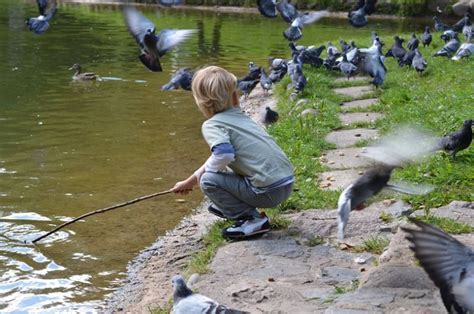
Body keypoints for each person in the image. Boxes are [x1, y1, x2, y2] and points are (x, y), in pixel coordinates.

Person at [171, 66, 294, 239]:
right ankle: (229, 205)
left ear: (201, 103)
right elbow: (219, 155)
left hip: (268, 192)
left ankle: (251, 220)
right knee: (217, 169)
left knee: (208, 180)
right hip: (285, 183)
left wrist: (203, 179)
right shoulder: (240, 116)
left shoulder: (212, 124)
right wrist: (190, 181)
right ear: (235, 96)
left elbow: (224, 155)